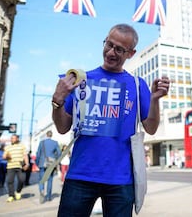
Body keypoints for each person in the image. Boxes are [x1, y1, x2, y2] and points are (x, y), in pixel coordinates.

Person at [52, 23, 170, 217]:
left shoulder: (136, 84)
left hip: (121, 180)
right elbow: (63, 127)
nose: (111, 52)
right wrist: (57, 101)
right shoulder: (81, 80)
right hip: (80, 174)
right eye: (109, 44)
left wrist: (155, 100)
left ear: (131, 54)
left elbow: (151, 127)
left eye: (119, 49)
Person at [35, 130, 61, 203]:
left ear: (46, 135)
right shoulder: (55, 143)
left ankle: (42, 190)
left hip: (42, 163)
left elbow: (38, 154)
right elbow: (59, 153)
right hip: (51, 164)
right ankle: (49, 197)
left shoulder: (42, 142)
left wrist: (37, 163)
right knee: (50, 180)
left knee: (41, 179)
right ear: (51, 135)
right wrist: (55, 160)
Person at [3, 134, 29, 202]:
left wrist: (27, 163)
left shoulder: (22, 146)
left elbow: (25, 155)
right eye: (11, 138)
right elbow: (4, 156)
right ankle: (11, 195)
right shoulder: (7, 147)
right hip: (10, 166)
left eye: (13, 138)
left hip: (20, 166)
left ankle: (18, 191)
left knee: (22, 180)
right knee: (10, 181)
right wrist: (6, 157)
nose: (12, 139)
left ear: (17, 139)